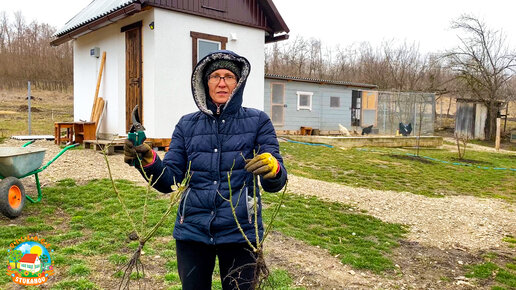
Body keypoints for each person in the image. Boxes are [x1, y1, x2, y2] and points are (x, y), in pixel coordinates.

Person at [124, 50, 287, 289]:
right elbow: (168, 180)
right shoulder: (186, 124)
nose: (222, 82)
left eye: (229, 76)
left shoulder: (258, 121)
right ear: (205, 82)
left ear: (238, 83)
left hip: (240, 232)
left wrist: (274, 169)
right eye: (215, 76)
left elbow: (275, 183)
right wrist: (148, 159)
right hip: (193, 231)